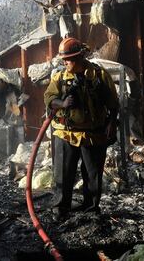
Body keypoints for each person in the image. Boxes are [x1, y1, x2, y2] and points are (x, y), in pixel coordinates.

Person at [44, 37, 119, 219]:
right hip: (65, 133)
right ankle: (60, 209)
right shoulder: (59, 77)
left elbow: (113, 104)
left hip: (93, 134)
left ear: (79, 57)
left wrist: (111, 123)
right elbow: (49, 99)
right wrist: (62, 103)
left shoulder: (99, 76)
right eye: (64, 59)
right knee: (63, 174)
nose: (65, 62)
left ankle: (91, 209)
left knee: (93, 175)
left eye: (68, 59)